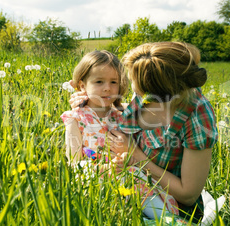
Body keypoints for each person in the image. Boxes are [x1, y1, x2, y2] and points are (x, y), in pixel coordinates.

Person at [69, 42, 218, 223]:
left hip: (169, 203)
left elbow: (188, 195)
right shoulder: (144, 96)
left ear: (158, 89)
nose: (131, 88)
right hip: (128, 183)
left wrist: (136, 156)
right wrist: (90, 103)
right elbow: (123, 109)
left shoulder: (196, 116)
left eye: (132, 83)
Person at [61, 50, 179, 218]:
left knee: (139, 181)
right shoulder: (75, 119)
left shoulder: (122, 114)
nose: (107, 88)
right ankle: (165, 220)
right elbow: (74, 163)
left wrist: (126, 160)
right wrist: (105, 169)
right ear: (82, 86)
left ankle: (167, 219)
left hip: (127, 174)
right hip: (95, 180)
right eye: (99, 82)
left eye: (113, 82)